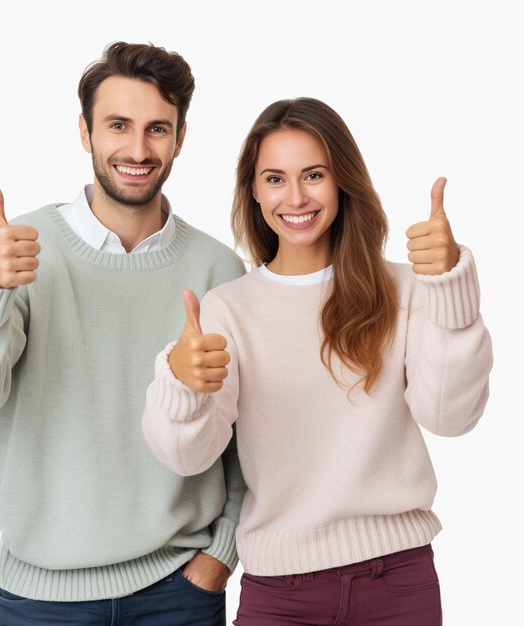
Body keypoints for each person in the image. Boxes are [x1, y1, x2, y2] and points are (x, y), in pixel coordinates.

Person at [142, 97, 493, 626]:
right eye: (276, 178)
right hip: (280, 594)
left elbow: (450, 416)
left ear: (342, 181)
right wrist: (184, 387)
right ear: (254, 191)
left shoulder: (402, 288)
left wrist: (449, 288)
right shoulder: (230, 308)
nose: (297, 196)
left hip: (398, 581)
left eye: (314, 175)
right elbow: (188, 456)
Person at [0, 41, 246, 626]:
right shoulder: (18, 250)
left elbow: (244, 442)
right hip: (37, 599)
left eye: (158, 129)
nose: (137, 148)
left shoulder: (218, 268)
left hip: (176, 592)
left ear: (181, 138)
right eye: (118, 125)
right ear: (85, 132)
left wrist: (220, 556)